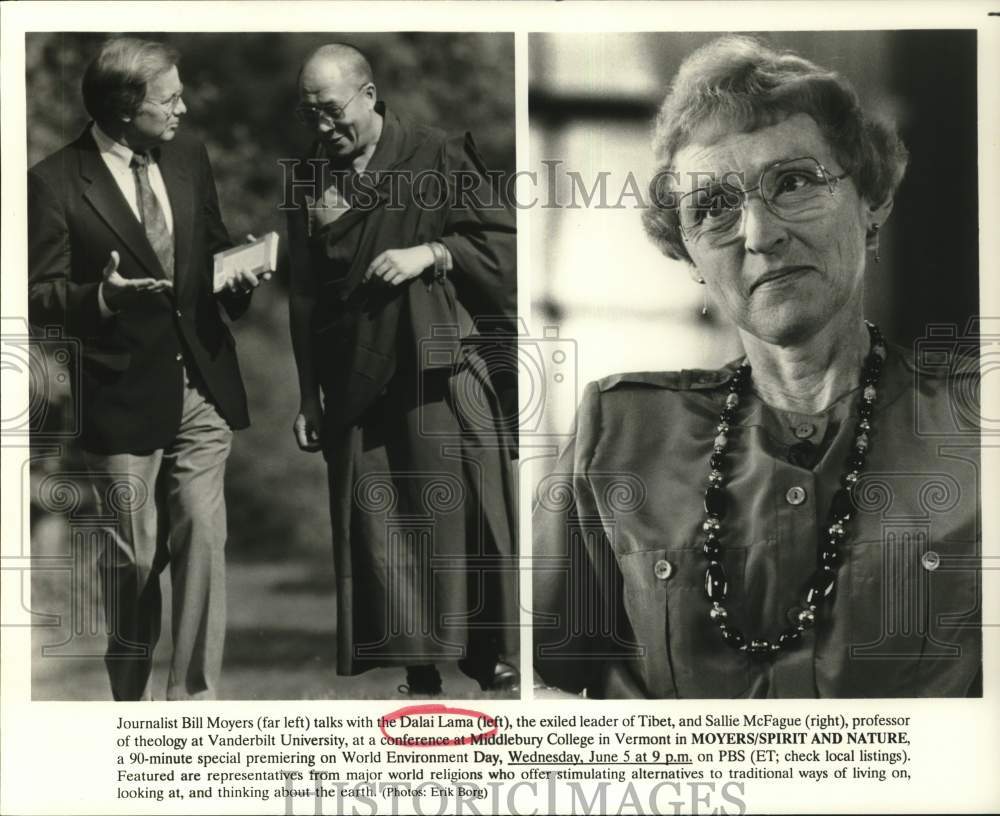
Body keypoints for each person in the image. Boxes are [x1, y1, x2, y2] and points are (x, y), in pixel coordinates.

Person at [533, 36, 981, 698]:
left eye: (794, 182)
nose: (759, 233)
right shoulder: (617, 434)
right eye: (712, 207)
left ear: (872, 198)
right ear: (688, 254)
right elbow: (541, 688)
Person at [28, 37, 267, 700]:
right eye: (170, 99)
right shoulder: (53, 182)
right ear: (124, 108)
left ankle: (190, 706)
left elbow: (211, 248)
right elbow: (36, 295)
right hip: (119, 393)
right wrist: (102, 297)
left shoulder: (188, 155)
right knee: (132, 559)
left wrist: (239, 276)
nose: (183, 110)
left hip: (202, 383)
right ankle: (129, 706)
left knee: (203, 538)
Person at [286, 44, 519, 696]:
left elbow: (502, 244)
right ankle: (419, 667)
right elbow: (304, 295)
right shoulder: (307, 176)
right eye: (310, 115)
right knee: (384, 522)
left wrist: (433, 252)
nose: (324, 127)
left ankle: (485, 653)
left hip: (432, 363)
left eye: (332, 111)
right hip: (355, 376)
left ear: (368, 95)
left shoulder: (436, 154)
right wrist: (308, 396)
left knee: (457, 508)